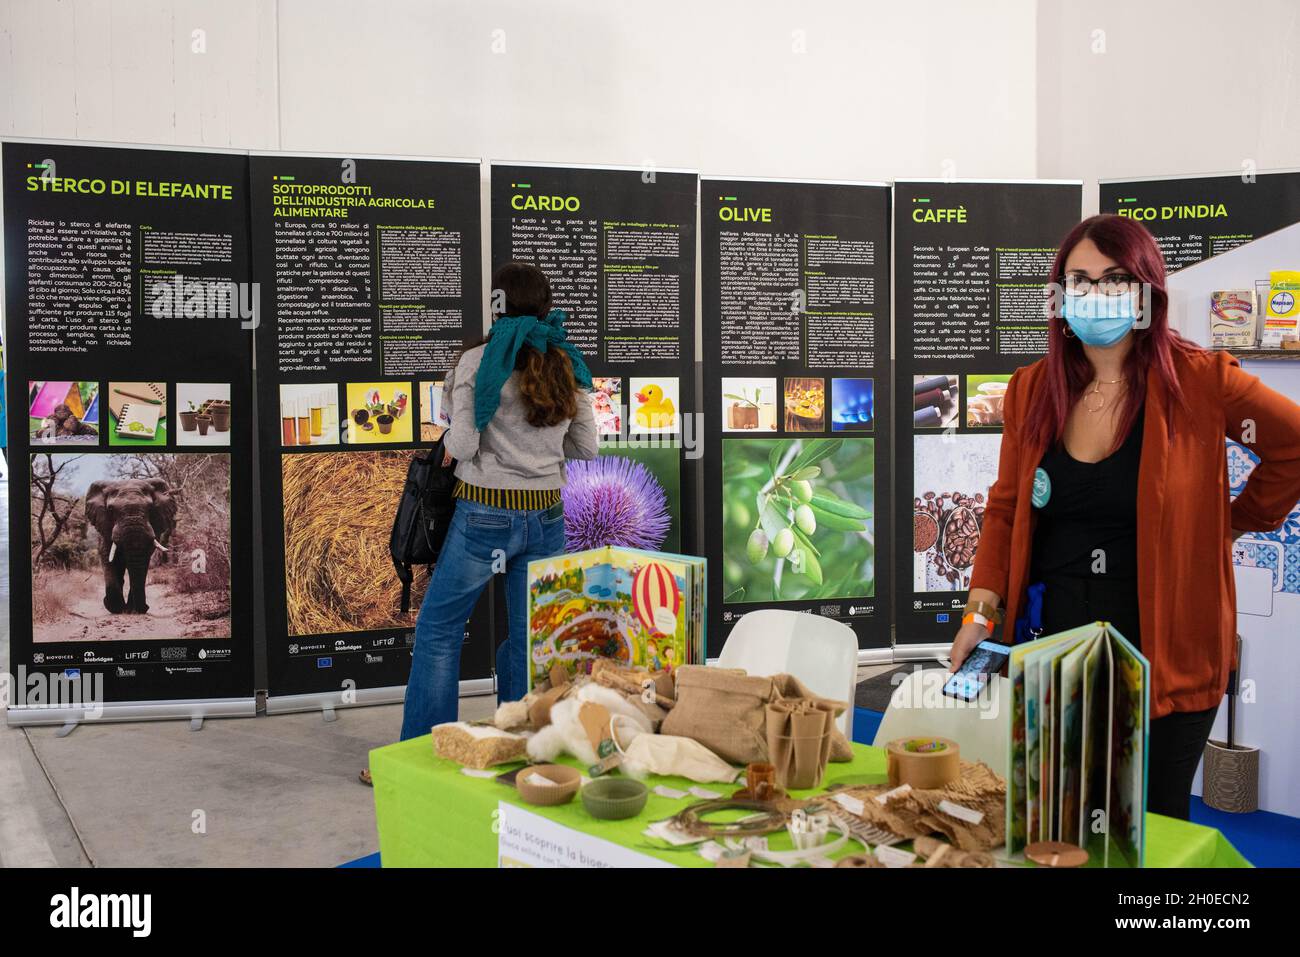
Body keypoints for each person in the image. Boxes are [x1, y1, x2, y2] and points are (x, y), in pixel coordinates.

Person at [948, 214, 1300, 820]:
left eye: (1115, 279)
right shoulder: (1033, 389)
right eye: (1079, 280)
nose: (1096, 295)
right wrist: (980, 613)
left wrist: (1235, 520)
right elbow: (1006, 508)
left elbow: (1293, 445)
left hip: (1168, 651)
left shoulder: (1200, 381)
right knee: (1061, 816)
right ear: (1059, 294)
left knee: (1152, 826)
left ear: (1146, 293)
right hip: (1056, 646)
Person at [398, 262, 598, 743]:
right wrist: (540, 449)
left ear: (497, 305)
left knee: (440, 631)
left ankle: (426, 751)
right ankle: (520, 741)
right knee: (532, 638)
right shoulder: (566, 362)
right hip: (548, 516)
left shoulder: (477, 361)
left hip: (483, 515)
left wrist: (453, 436)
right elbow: (586, 448)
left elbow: (463, 446)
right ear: (546, 306)